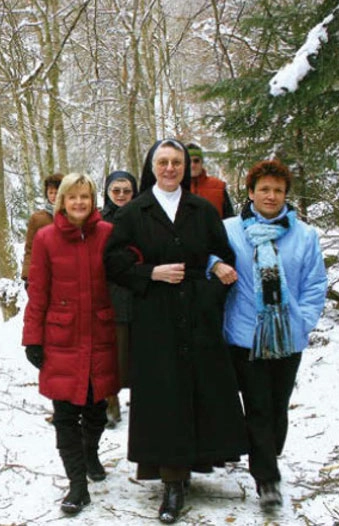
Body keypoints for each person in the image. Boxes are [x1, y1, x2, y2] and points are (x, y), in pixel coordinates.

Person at [104, 139, 247, 524]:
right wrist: (150, 273)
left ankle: (193, 467)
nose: (170, 168)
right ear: (152, 166)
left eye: (176, 162)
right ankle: (171, 482)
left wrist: (214, 278)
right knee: (164, 397)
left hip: (198, 315)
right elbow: (114, 263)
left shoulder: (201, 209)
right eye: (163, 162)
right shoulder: (134, 211)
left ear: (186, 167)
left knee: (199, 390)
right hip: (155, 316)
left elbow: (224, 255)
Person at [223, 159, 327, 509]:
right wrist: (214, 265)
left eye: (278, 190)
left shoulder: (306, 235)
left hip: (287, 337)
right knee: (258, 407)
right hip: (246, 336)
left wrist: (304, 320)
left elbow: (315, 284)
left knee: (278, 408)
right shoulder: (230, 230)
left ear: (286, 195)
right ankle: (267, 480)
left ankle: (266, 452)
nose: (271, 196)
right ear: (250, 192)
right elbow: (207, 259)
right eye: (264, 189)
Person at [22, 173, 120, 515]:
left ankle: (90, 451)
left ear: (93, 201)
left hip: (101, 335)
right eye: (72, 197)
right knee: (65, 415)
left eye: (85, 197)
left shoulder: (108, 234)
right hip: (60, 337)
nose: (79, 203)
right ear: (61, 201)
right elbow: (38, 292)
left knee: (96, 410)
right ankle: (77, 485)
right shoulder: (46, 238)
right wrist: (32, 338)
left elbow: (127, 271)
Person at [100, 171, 138, 428]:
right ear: (108, 192)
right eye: (116, 191)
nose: (122, 195)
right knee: (112, 356)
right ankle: (109, 403)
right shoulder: (99, 221)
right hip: (110, 295)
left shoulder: (144, 216)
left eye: (127, 190)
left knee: (140, 356)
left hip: (141, 294)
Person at [21, 173, 64, 286]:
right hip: (43, 272)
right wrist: (27, 275)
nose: (54, 196)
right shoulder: (37, 218)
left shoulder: (73, 216)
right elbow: (30, 248)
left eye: (57, 192)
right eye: (51, 192)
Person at [186, 142, 235, 219]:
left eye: (196, 161)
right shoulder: (175, 188)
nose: (192, 165)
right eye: (189, 161)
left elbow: (229, 219)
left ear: (202, 162)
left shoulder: (219, 187)